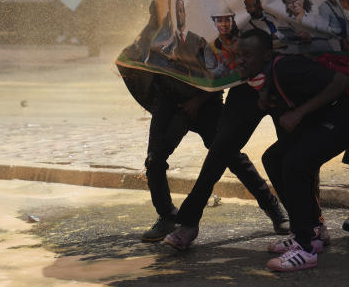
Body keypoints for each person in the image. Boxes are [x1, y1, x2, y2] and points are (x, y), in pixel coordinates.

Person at [168, 29, 349, 272]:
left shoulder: (286, 68)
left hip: (325, 106)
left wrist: (298, 113)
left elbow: (338, 83)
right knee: (260, 155)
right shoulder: (261, 72)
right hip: (268, 80)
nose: (239, 59)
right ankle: (307, 231)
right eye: (237, 55)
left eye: (246, 55)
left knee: (295, 161)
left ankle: (308, 237)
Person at [116, 62, 289, 242]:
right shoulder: (162, 34)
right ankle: (167, 215)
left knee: (230, 155)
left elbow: (223, 69)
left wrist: (199, 100)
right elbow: (140, 57)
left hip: (206, 102)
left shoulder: (210, 35)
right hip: (168, 99)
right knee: (154, 160)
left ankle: (272, 207)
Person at [203, 7, 239, 78]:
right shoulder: (210, 47)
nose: (224, 24)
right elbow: (210, 75)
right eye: (219, 21)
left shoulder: (240, 41)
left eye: (227, 20)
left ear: (232, 21)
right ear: (215, 24)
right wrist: (227, 63)